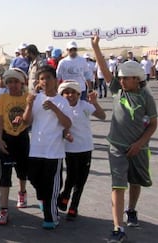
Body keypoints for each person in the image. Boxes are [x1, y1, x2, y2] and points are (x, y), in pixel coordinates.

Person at [91, 35, 157, 243]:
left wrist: (139, 144)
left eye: (125, 78)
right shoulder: (117, 90)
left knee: (135, 182)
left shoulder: (147, 98)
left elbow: (154, 123)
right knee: (118, 185)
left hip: (138, 148)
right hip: (116, 147)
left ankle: (132, 210)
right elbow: (104, 69)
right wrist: (95, 47)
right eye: (120, 78)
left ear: (137, 78)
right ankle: (118, 227)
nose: (121, 80)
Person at [23, 65, 72, 229]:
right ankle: (44, 199)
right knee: (33, 178)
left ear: (56, 80)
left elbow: (67, 124)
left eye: (48, 78)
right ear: (38, 81)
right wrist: (29, 105)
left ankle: (51, 218)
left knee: (51, 187)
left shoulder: (62, 101)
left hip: (53, 151)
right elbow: (26, 122)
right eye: (42, 78)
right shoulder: (35, 98)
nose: (45, 81)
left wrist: (54, 108)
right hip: (36, 149)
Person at [56, 80, 105, 220]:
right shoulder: (60, 107)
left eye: (73, 93)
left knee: (81, 180)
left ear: (79, 94)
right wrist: (66, 133)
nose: (70, 95)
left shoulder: (84, 106)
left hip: (86, 147)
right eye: (66, 92)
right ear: (62, 94)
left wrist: (94, 102)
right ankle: (65, 196)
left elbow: (102, 116)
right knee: (71, 177)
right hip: (70, 148)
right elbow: (58, 125)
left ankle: (74, 207)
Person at [0, 68, 29, 225]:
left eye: (16, 82)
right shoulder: (2, 98)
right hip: (7, 138)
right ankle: (4, 210)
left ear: (21, 83)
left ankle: (22, 192)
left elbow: (30, 120)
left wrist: (22, 119)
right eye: (10, 82)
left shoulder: (27, 98)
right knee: (4, 174)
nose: (13, 85)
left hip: (22, 137)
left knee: (22, 170)